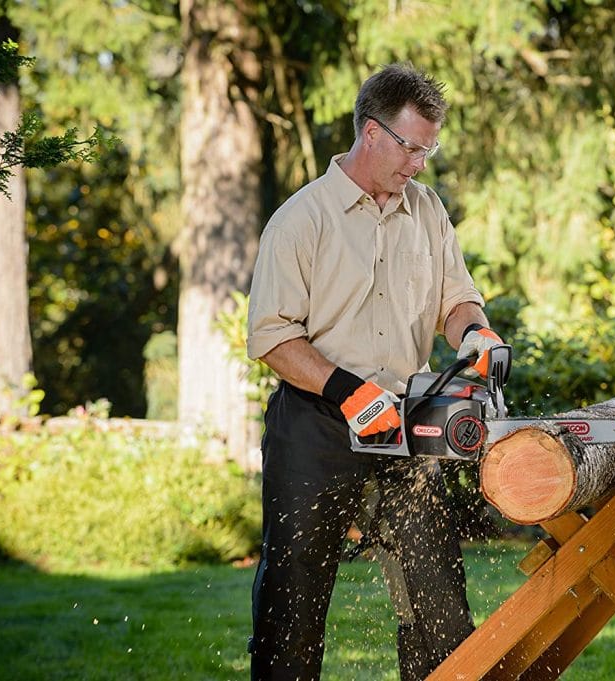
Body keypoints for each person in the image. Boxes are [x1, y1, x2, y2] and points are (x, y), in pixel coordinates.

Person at [245, 63, 504, 680]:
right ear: (371, 133)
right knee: (293, 598)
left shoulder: (427, 210)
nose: (420, 163)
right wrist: (346, 389)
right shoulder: (302, 219)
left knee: (435, 589)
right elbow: (272, 335)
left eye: (429, 149)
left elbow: (454, 298)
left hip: (406, 421)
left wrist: (475, 332)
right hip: (317, 421)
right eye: (412, 147)